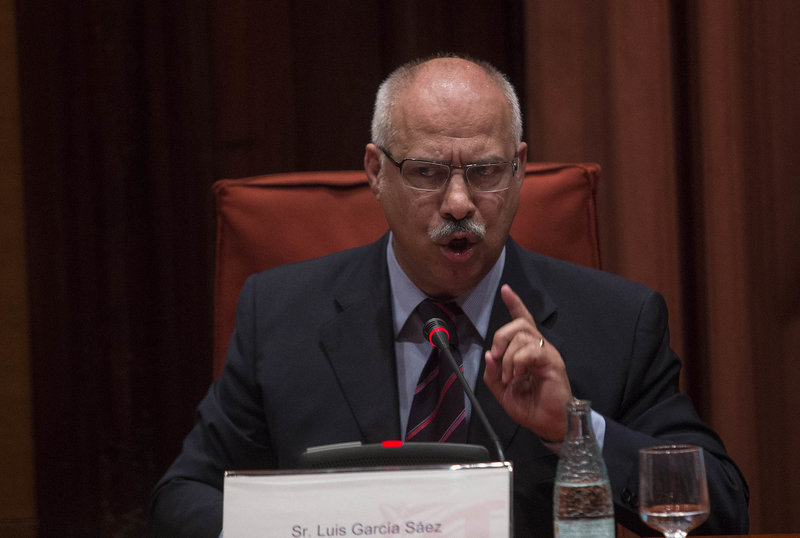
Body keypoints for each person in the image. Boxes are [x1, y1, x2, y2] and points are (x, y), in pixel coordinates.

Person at [150, 54, 749, 537]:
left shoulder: (617, 322)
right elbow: (183, 499)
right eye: (427, 172)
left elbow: (721, 509)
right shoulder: (280, 315)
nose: (459, 203)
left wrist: (574, 432)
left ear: (518, 170)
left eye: (485, 171)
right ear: (375, 172)